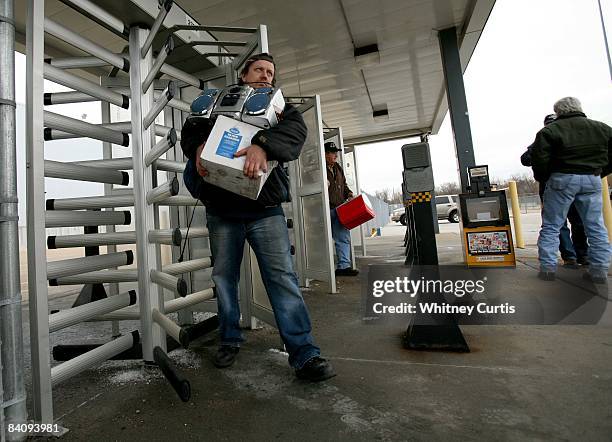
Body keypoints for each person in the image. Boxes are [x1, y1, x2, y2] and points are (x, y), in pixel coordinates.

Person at [180, 53, 336, 381]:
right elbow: (191, 129)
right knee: (224, 280)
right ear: (243, 74)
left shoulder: (280, 108)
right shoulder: (217, 101)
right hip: (221, 210)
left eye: (270, 72)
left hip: (266, 211)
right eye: (259, 70)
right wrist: (196, 148)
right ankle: (229, 339)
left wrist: (262, 145)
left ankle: (304, 353)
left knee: (282, 279)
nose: (266, 76)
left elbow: (296, 134)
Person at [531, 97, 612, 283]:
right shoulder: (602, 128)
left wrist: (545, 177)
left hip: (562, 179)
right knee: (595, 226)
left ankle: (548, 269)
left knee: (552, 225)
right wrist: (600, 171)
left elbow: (539, 159)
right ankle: (599, 271)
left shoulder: (549, 131)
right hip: (592, 178)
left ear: (558, 112)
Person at [521, 114, 589, 267]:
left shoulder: (560, 139)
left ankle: (578, 255)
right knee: (568, 223)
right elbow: (525, 159)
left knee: (571, 222)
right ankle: (573, 256)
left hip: (563, 187)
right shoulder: (542, 140)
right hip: (557, 188)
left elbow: (526, 159)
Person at [325, 141, 359, 276]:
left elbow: (343, 185)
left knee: (343, 237)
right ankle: (321, 269)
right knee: (321, 240)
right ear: (325, 154)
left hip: (339, 209)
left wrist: (349, 194)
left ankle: (343, 267)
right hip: (324, 210)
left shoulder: (338, 167)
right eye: (333, 153)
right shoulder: (318, 168)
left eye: (336, 153)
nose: (336, 155)